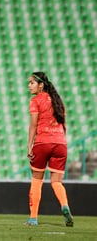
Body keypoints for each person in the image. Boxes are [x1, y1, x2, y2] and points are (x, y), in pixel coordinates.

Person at [25, 72, 73, 227]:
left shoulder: (35, 100)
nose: (29, 86)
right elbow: (63, 125)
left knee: (37, 181)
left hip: (43, 143)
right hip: (60, 144)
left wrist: (29, 145)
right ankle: (65, 206)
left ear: (41, 85)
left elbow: (33, 125)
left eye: (31, 83)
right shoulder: (58, 101)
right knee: (56, 182)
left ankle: (33, 218)